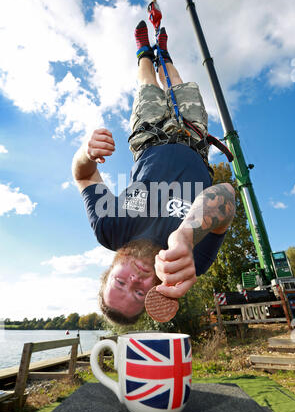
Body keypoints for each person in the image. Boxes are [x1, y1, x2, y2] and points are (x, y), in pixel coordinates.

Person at [72, 20, 236, 325]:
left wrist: (86, 152)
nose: (135, 280)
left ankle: (145, 52)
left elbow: (84, 176)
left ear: (109, 272)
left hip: (149, 137)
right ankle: (167, 55)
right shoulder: (187, 261)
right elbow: (226, 194)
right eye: (138, 293)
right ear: (153, 294)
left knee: (147, 84)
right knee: (180, 84)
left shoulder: (110, 228)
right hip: (193, 137)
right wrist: (186, 236)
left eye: (120, 282)